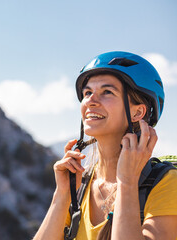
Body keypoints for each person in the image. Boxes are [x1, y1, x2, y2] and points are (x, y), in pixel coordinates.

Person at [33, 51, 177, 240]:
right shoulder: (80, 187)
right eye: (87, 92)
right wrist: (62, 196)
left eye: (107, 92)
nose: (90, 101)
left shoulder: (167, 184)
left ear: (138, 113)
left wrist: (127, 183)